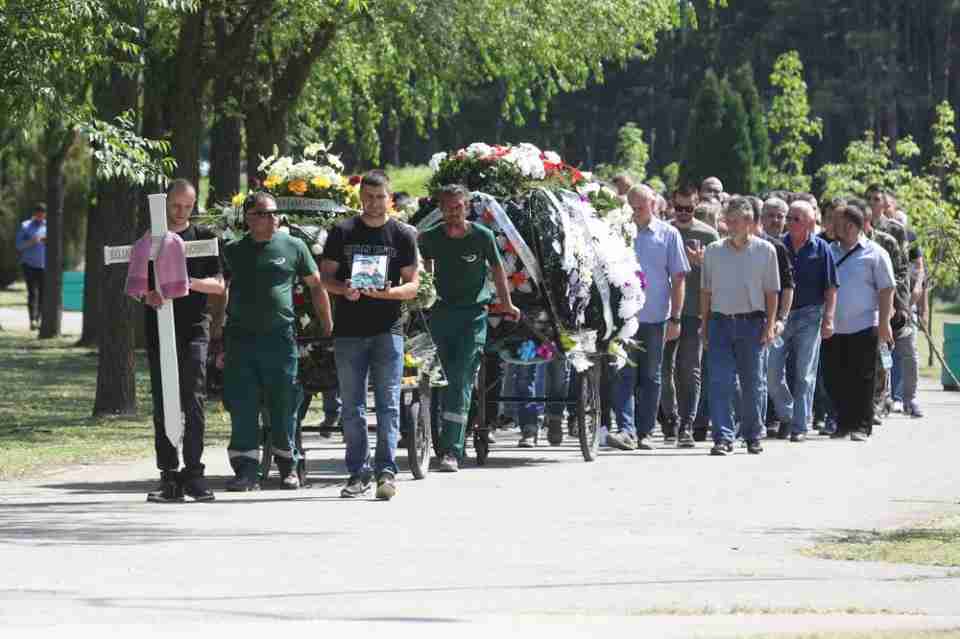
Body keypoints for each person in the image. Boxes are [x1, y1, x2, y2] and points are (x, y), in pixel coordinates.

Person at [222, 192, 333, 491]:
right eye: (263, 213)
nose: (272, 218)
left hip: (279, 339)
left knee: (283, 402)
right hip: (241, 339)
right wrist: (217, 337)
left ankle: (288, 466)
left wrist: (327, 324)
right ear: (248, 218)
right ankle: (246, 470)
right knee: (242, 404)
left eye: (274, 213)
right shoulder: (233, 250)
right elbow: (220, 293)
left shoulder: (294, 246)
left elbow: (316, 286)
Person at [321, 171, 419, 500]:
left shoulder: (402, 235)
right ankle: (357, 472)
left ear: (389, 198)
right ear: (360, 198)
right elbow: (326, 279)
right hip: (349, 331)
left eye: (381, 197)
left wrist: (389, 294)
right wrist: (343, 289)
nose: (375, 203)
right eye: (369, 197)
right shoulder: (342, 231)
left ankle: (386, 472)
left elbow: (412, 284)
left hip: (387, 331)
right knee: (352, 406)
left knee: (389, 404)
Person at [419, 184, 520, 471]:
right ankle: (427, 436)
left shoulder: (482, 235)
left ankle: (452, 450)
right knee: (437, 379)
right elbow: (422, 264)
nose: (453, 213)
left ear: (466, 207)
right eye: (448, 207)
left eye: (458, 207)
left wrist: (506, 303)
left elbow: (498, 269)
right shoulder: (432, 237)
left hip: (472, 317)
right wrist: (425, 291)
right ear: (440, 209)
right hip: (440, 316)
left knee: (461, 378)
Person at [140, 180, 225, 503]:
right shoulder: (151, 240)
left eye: (187, 206)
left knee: (194, 398)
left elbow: (219, 285)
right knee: (164, 402)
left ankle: (194, 473)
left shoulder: (205, 239)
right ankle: (169, 476)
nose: (181, 212)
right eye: (176, 205)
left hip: (193, 329)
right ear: (165, 205)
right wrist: (146, 294)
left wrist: (184, 283)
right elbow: (137, 283)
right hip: (159, 328)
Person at [607, 185, 689, 451]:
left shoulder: (668, 234)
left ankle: (645, 432)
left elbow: (678, 279)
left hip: (655, 318)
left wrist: (676, 318)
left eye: (640, 207)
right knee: (624, 375)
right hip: (624, 318)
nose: (635, 212)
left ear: (653, 205)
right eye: (631, 207)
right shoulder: (618, 232)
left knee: (652, 377)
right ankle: (627, 430)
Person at [701, 197, 780, 456]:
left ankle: (752, 435)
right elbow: (706, 292)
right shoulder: (713, 250)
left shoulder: (765, 251)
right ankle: (723, 437)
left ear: (749, 222)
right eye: (728, 220)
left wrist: (770, 325)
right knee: (720, 382)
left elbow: (771, 292)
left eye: (735, 221)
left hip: (752, 323)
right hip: (720, 323)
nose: (730, 226)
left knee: (752, 383)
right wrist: (705, 324)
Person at [766, 201, 838, 443]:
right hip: (781, 317)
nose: (790, 222)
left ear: (809, 222)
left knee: (804, 374)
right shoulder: (777, 246)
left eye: (796, 218)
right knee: (772, 372)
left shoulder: (822, 249)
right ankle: (787, 414)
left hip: (810, 315)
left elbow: (830, 288)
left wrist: (828, 318)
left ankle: (799, 426)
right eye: (790, 218)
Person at [822, 204, 895, 441]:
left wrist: (884, 323)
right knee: (835, 377)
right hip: (834, 327)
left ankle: (862, 426)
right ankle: (843, 424)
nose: (831, 226)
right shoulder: (829, 250)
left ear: (851, 227)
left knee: (862, 378)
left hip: (864, 325)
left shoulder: (875, 253)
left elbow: (886, 290)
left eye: (837, 222)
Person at [661, 184, 719, 447]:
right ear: (672, 205)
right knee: (663, 370)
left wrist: (703, 263)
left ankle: (687, 423)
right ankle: (670, 420)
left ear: (697, 205)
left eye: (689, 208)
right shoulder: (663, 231)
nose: (683, 213)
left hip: (695, 310)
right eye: (679, 207)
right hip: (665, 309)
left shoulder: (708, 234)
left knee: (690, 369)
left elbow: (719, 275)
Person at [14, 202, 47, 330]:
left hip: (44, 265)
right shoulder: (25, 226)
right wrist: (31, 242)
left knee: (43, 294)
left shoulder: (49, 226)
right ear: (35, 213)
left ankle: (38, 319)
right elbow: (18, 245)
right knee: (32, 293)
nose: (40, 217)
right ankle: (32, 320)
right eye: (38, 215)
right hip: (28, 264)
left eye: (43, 215)